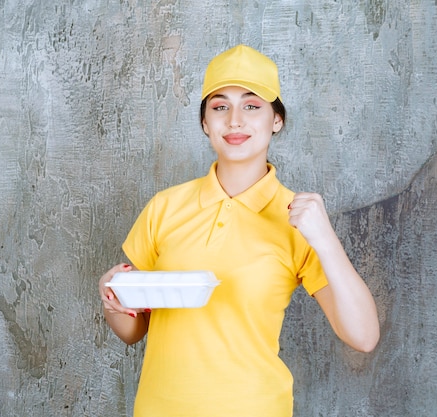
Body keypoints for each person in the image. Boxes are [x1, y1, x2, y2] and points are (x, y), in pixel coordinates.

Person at [98, 44, 380, 417]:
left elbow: (363, 337)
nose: (234, 120)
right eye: (219, 107)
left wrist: (326, 240)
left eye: (251, 105)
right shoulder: (164, 208)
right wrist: (113, 300)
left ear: (276, 120)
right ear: (204, 123)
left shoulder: (299, 219)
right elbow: (134, 332)